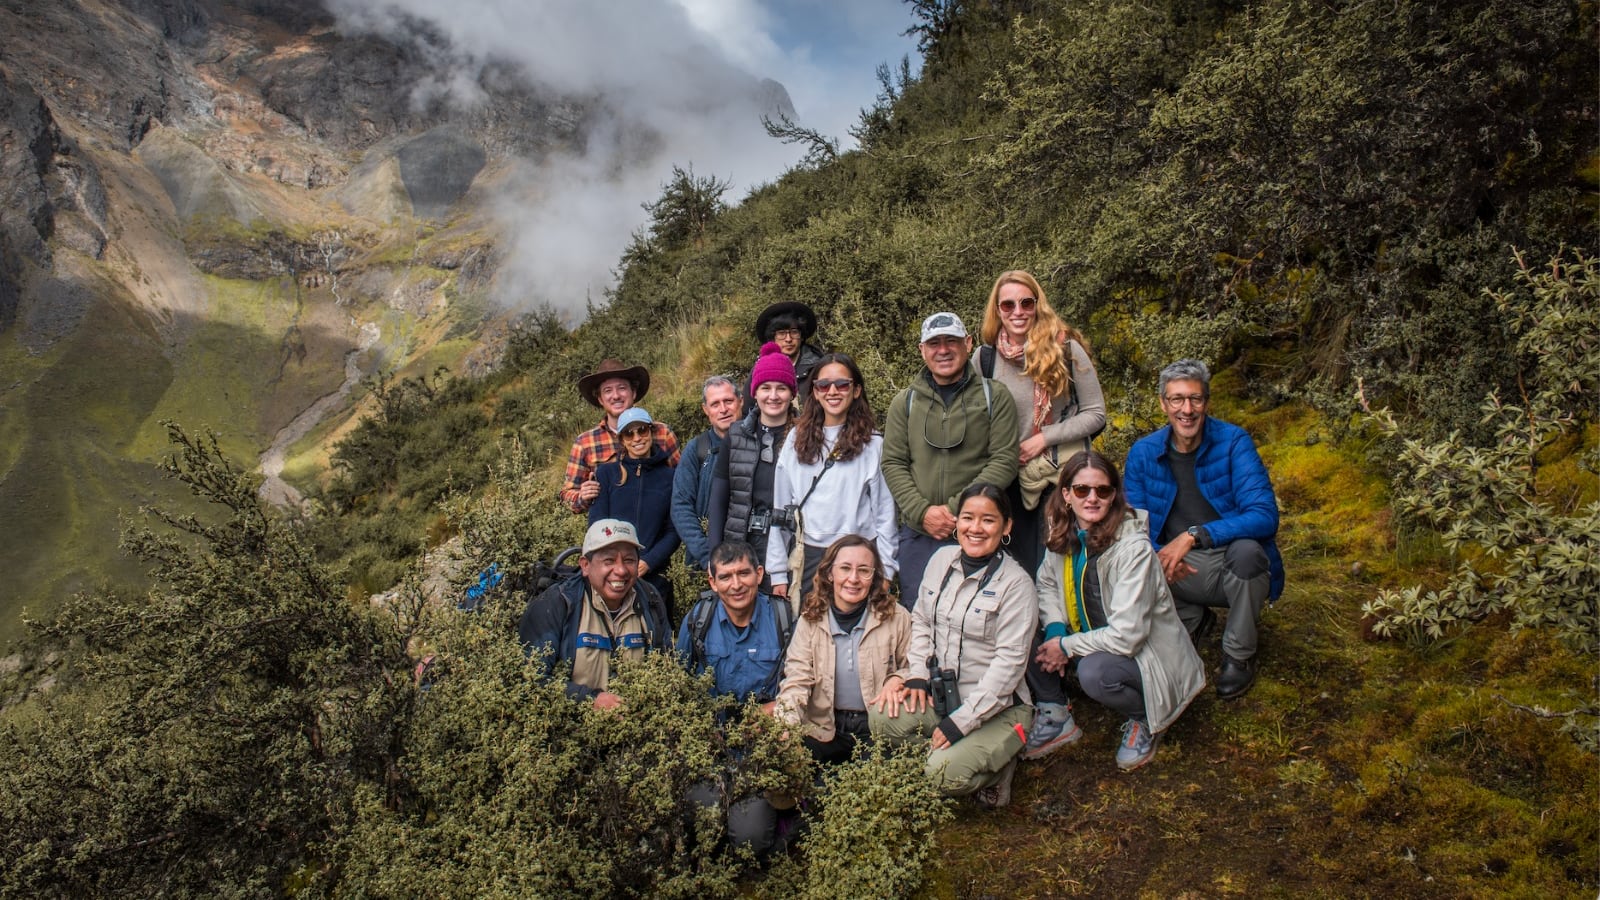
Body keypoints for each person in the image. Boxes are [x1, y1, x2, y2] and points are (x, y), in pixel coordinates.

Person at [1024, 451, 1206, 771]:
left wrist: (1064, 646)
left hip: (1145, 658)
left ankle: (1146, 718)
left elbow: (1127, 637)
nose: (1092, 498)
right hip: (1090, 637)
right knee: (1021, 625)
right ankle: (1055, 712)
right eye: (1082, 490)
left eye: (1103, 491)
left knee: (1095, 674)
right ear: (1066, 495)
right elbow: (1047, 585)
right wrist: (1055, 631)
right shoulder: (1064, 531)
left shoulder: (1133, 548)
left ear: (1113, 496)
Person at [1122, 359, 1284, 700]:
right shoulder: (1144, 453)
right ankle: (1193, 617)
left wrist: (1194, 535)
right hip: (1176, 568)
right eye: (1177, 399)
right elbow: (1134, 524)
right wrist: (1156, 556)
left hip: (1228, 565)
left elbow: (1264, 515)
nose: (1187, 409)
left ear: (1206, 402)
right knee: (1135, 557)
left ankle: (1238, 655)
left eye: (1195, 399)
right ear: (1164, 404)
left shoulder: (1233, 442)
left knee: (1248, 553)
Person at [869, 484, 1036, 807]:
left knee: (941, 774)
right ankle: (950, 753)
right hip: (945, 696)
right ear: (957, 521)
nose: (975, 528)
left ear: (1006, 527)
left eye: (988, 520)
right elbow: (922, 621)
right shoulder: (941, 559)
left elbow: (1009, 667)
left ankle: (999, 767)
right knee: (880, 717)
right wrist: (917, 673)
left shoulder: (1016, 585)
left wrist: (961, 724)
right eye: (968, 518)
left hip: (999, 709)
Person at [881, 312, 1020, 606]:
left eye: (951, 341)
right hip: (920, 534)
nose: (943, 350)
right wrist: (922, 512)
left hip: (977, 531)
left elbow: (1004, 460)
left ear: (968, 344)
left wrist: (959, 510)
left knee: (978, 619)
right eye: (934, 343)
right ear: (922, 350)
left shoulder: (995, 396)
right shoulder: (904, 403)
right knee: (918, 619)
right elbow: (893, 463)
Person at [978, 270, 1106, 577]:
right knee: (1016, 567)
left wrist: (1044, 438)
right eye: (1008, 305)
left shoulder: (1065, 349)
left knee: (1057, 565)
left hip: (1056, 475)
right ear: (997, 310)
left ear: (1038, 304)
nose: (1018, 312)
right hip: (1009, 477)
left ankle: (1062, 626)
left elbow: (1096, 413)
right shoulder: (985, 358)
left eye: (1026, 302)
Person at [677, 541, 794, 856]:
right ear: (712, 582)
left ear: (759, 574)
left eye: (744, 573)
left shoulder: (784, 618)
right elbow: (680, 684)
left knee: (750, 843)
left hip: (762, 749)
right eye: (726, 577)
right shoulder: (698, 620)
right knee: (701, 827)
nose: (736, 584)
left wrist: (780, 707)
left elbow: (806, 681)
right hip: (711, 748)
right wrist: (699, 728)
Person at [766, 353, 898, 609]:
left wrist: (887, 571)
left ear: (856, 390)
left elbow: (885, 515)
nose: (833, 391)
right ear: (814, 392)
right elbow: (780, 511)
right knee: (810, 637)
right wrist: (778, 571)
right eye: (824, 385)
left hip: (859, 558)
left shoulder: (873, 444)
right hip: (810, 557)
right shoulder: (795, 440)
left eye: (842, 384)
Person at [774, 535, 912, 764]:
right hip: (824, 728)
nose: (853, 579)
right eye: (845, 568)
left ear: (875, 575)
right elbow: (797, 679)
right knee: (785, 768)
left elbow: (916, 668)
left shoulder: (896, 617)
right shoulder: (810, 620)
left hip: (877, 726)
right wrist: (784, 725)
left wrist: (898, 678)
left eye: (864, 570)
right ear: (830, 573)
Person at [517, 519, 673, 707]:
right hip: (570, 731)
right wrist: (589, 699)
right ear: (585, 565)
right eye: (609, 560)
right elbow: (531, 682)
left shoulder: (649, 599)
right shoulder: (558, 603)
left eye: (629, 560)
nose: (621, 570)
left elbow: (667, 668)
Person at [708, 343, 796, 589]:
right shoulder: (735, 436)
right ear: (754, 393)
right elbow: (719, 498)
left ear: (792, 393)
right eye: (765, 388)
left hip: (790, 545)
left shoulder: (806, 437)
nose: (773, 396)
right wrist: (715, 553)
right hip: (742, 544)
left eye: (782, 388)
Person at [589, 407, 681, 617]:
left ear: (652, 432)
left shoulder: (670, 477)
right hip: (612, 576)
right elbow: (598, 526)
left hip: (656, 576)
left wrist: (648, 561)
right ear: (622, 440)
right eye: (629, 433)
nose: (637, 438)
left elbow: (674, 530)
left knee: (656, 641)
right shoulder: (606, 474)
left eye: (642, 430)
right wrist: (619, 563)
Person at [561, 359, 680, 515]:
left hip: (659, 527)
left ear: (633, 392)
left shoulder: (662, 433)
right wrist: (582, 496)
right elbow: (566, 496)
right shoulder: (585, 443)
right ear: (600, 399)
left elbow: (682, 482)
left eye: (622, 388)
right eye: (608, 390)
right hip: (609, 532)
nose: (616, 395)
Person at [671, 376, 743, 572]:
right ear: (706, 410)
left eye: (728, 401)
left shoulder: (759, 443)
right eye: (715, 404)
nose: (723, 409)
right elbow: (680, 505)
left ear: (740, 401)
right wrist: (707, 555)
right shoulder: (697, 449)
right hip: (706, 562)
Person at [754, 301, 827, 403]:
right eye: (781, 333)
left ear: (801, 336)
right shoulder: (761, 367)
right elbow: (747, 409)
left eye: (794, 332)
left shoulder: (818, 368)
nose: (788, 339)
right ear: (773, 337)